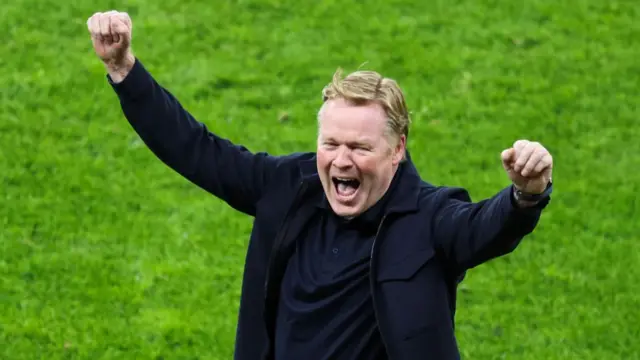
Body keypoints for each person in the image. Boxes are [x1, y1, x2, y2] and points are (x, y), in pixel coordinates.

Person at [86, 10, 554, 360]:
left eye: (360, 147)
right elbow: (196, 149)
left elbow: (487, 227)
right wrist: (124, 68)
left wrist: (525, 194)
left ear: (398, 149)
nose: (341, 160)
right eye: (331, 143)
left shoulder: (430, 218)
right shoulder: (289, 185)